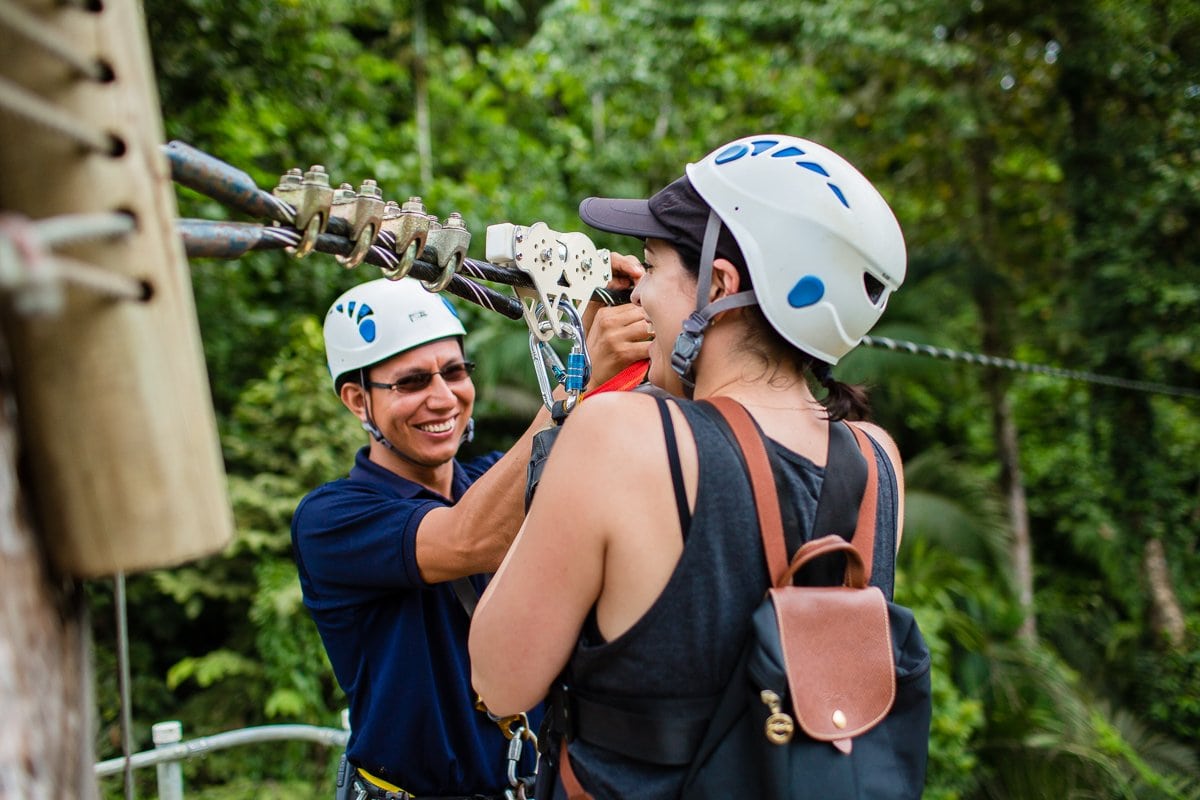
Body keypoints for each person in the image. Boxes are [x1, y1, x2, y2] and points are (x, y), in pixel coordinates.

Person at [469, 134, 909, 799]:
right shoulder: (877, 461)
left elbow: (498, 679)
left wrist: (588, 405)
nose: (637, 292)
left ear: (719, 286)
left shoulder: (619, 437)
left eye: (651, 266)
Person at [291, 275, 648, 799]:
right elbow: (468, 539)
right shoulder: (332, 519)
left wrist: (621, 310)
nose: (443, 398)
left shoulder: (490, 478)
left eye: (455, 372)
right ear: (357, 400)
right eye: (411, 382)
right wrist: (578, 379)